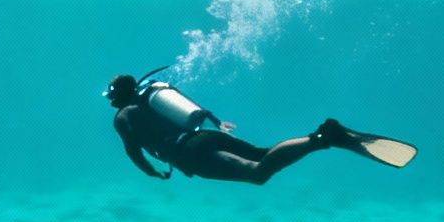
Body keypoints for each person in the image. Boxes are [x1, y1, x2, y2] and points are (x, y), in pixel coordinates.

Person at [104, 72, 351, 185]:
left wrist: (152, 173)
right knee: (262, 155)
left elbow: (133, 152)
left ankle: (321, 139)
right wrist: (218, 123)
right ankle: (322, 137)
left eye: (111, 96)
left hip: (188, 154)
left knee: (257, 173)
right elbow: (193, 108)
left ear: (117, 97)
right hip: (203, 135)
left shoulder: (124, 116)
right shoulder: (152, 97)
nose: (110, 101)